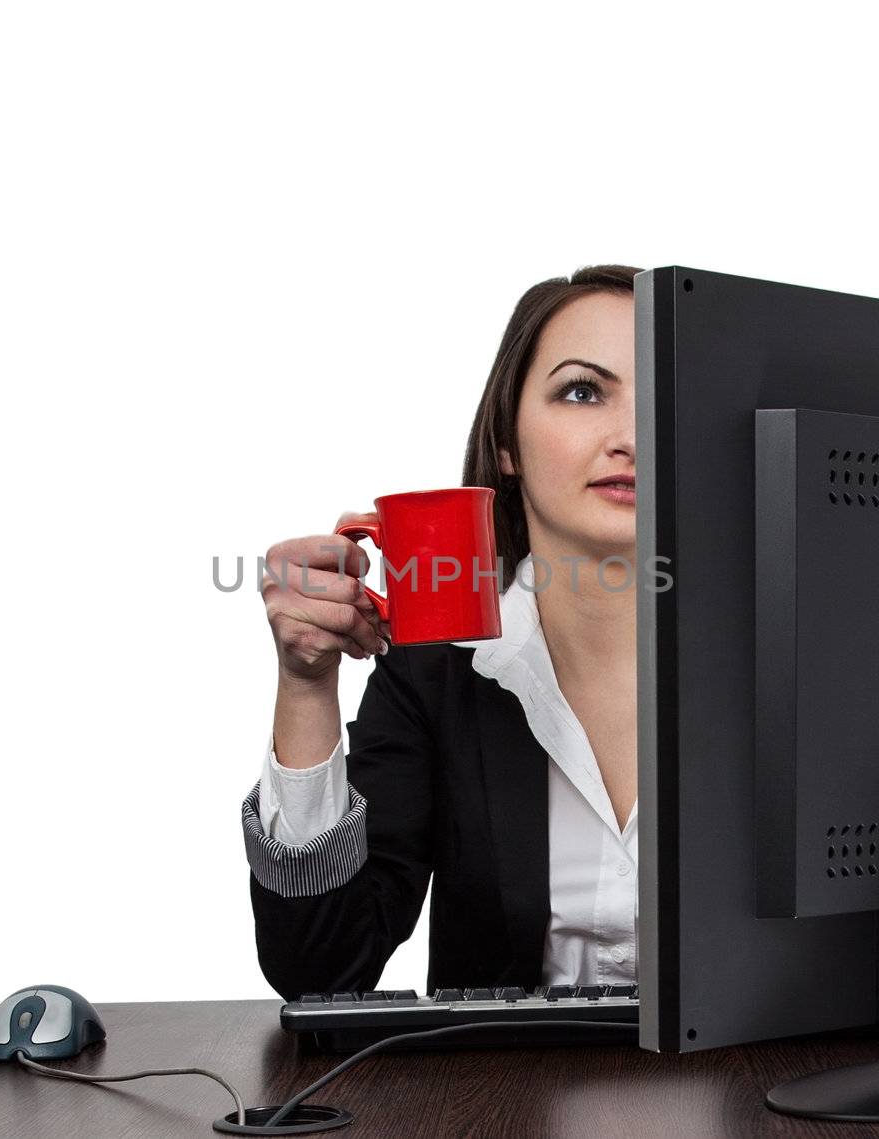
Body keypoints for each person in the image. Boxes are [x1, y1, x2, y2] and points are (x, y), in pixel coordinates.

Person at [243, 265, 643, 1000]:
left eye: (663, 394)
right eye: (583, 391)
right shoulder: (438, 670)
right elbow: (321, 967)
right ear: (508, 445)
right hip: (508, 1101)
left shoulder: (790, 654)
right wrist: (306, 685)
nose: (631, 435)